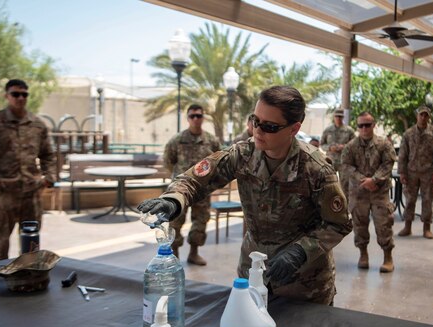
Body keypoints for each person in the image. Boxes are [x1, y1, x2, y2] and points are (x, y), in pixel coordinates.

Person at [139, 86, 352, 305]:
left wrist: (300, 252)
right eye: (255, 120)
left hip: (304, 285)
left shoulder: (315, 168)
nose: (258, 131)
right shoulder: (243, 154)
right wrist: (174, 199)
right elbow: (195, 179)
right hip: (253, 275)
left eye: (269, 126)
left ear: (294, 129)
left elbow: (339, 224)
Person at [0, 79, 56, 262]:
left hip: (31, 194)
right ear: (7, 96)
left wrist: (48, 178)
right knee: (0, 246)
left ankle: (29, 283)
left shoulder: (37, 124)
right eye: (15, 94)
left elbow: (48, 155)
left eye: (24, 94)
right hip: (4, 194)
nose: (20, 98)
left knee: (31, 247)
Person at [163, 104, 221, 265]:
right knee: (175, 220)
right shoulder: (177, 140)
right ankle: (174, 255)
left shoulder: (212, 141)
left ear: (203, 118)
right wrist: (178, 179)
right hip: (180, 189)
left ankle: (193, 253)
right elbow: (168, 161)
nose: (195, 119)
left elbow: (219, 161)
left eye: (199, 116)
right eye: (192, 116)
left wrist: (211, 181)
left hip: (202, 189)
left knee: (201, 221)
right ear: (188, 118)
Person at [341, 112, 396, 272]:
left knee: (383, 225)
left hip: (379, 192)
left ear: (373, 125)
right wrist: (363, 181)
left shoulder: (383, 144)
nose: (364, 128)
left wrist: (375, 180)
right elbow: (345, 166)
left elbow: (388, 163)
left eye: (367, 125)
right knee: (359, 226)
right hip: (359, 194)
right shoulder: (351, 146)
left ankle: (388, 257)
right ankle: (363, 254)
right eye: (361, 125)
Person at [397, 105, 433, 239]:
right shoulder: (408, 133)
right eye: (421, 115)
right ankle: (407, 227)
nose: (423, 117)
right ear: (417, 116)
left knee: (428, 200)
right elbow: (403, 155)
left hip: (428, 172)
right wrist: (402, 172)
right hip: (411, 172)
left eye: (426, 115)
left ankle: (427, 228)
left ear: (429, 117)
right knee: (410, 199)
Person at [320, 108, 355, 196]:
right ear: (334, 117)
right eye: (337, 116)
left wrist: (345, 147)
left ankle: (345, 206)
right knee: (329, 184)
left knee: (345, 186)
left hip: (344, 162)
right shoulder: (328, 130)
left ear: (343, 117)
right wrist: (330, 148)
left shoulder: (349, 130)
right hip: (330, 161)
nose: (338, 118)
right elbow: (322, 144)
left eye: (340, 116)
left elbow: (355, 144)